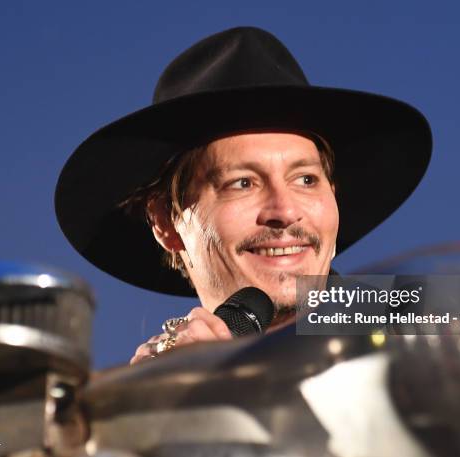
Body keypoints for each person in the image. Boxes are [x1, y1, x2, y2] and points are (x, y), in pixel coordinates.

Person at [54, 26, 432, 364]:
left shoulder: (434, 315)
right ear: (166, 222)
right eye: (243, 183)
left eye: (305, 180)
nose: (285, 211)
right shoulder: (160, 388)